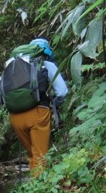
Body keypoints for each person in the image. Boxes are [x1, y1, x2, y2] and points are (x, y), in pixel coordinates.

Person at [7, 38, 68, 176]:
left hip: (15, 117)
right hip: (38, 113)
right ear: (45, 52)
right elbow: (62, 92)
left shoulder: (12, 66)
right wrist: (54, 105)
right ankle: (40, 191)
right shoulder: (47, 65)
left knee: (33, 153)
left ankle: (33, 187)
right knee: (40, 155)